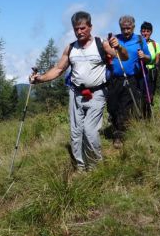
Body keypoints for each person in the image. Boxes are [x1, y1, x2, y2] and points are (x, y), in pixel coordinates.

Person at [30, 12, 121, 172]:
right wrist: (40, 79)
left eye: (83, 28)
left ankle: (95, 166)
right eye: (76, 29)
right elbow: (58, 69)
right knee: (75, 132)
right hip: (76, 93)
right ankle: (80, 166)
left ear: (90, 27)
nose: (79, 32)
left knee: (90, 131)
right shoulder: (71, 48)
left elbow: (123, 57)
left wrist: (118, 46)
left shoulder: (102, 44)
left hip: (97, 93)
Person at [107, 15, 151, 148]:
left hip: (130, 78)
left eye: (128, 28)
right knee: (112, 107)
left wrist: (144, 56)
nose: (126, 31)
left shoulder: (139, 39)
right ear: (120, 27)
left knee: (124, 107)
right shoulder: (115, 39)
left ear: (133, 27)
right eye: (123, 28)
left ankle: (119, 135)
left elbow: (149, 58)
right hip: (114, 79)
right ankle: (116, 126)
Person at [139, 21, 160, 117]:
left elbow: (158, 57)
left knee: (150, 94)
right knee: (140, 94)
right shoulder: (138, 43)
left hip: (151, 71)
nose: (145, 33)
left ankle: (148, 115)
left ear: (151, 32)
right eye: (143, 31)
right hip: (140, 71)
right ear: (141, 32)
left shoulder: (155, 44)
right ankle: (141, 114)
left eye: (147, 31)